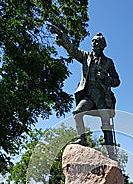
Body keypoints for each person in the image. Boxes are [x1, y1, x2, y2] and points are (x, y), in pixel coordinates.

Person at [49, 25, 120, 159]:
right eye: (92, 41)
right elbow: (72, 49)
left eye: (96, 42)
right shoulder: (86, 57)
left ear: (102, 45)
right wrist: (61, 36)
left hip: (102, 97)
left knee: (106, 124)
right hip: (88, 95)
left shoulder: (108, 62)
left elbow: (117, 81)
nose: (93, 43)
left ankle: (111, 154)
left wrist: (106, 78)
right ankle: (82, 139)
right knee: (77, 112)